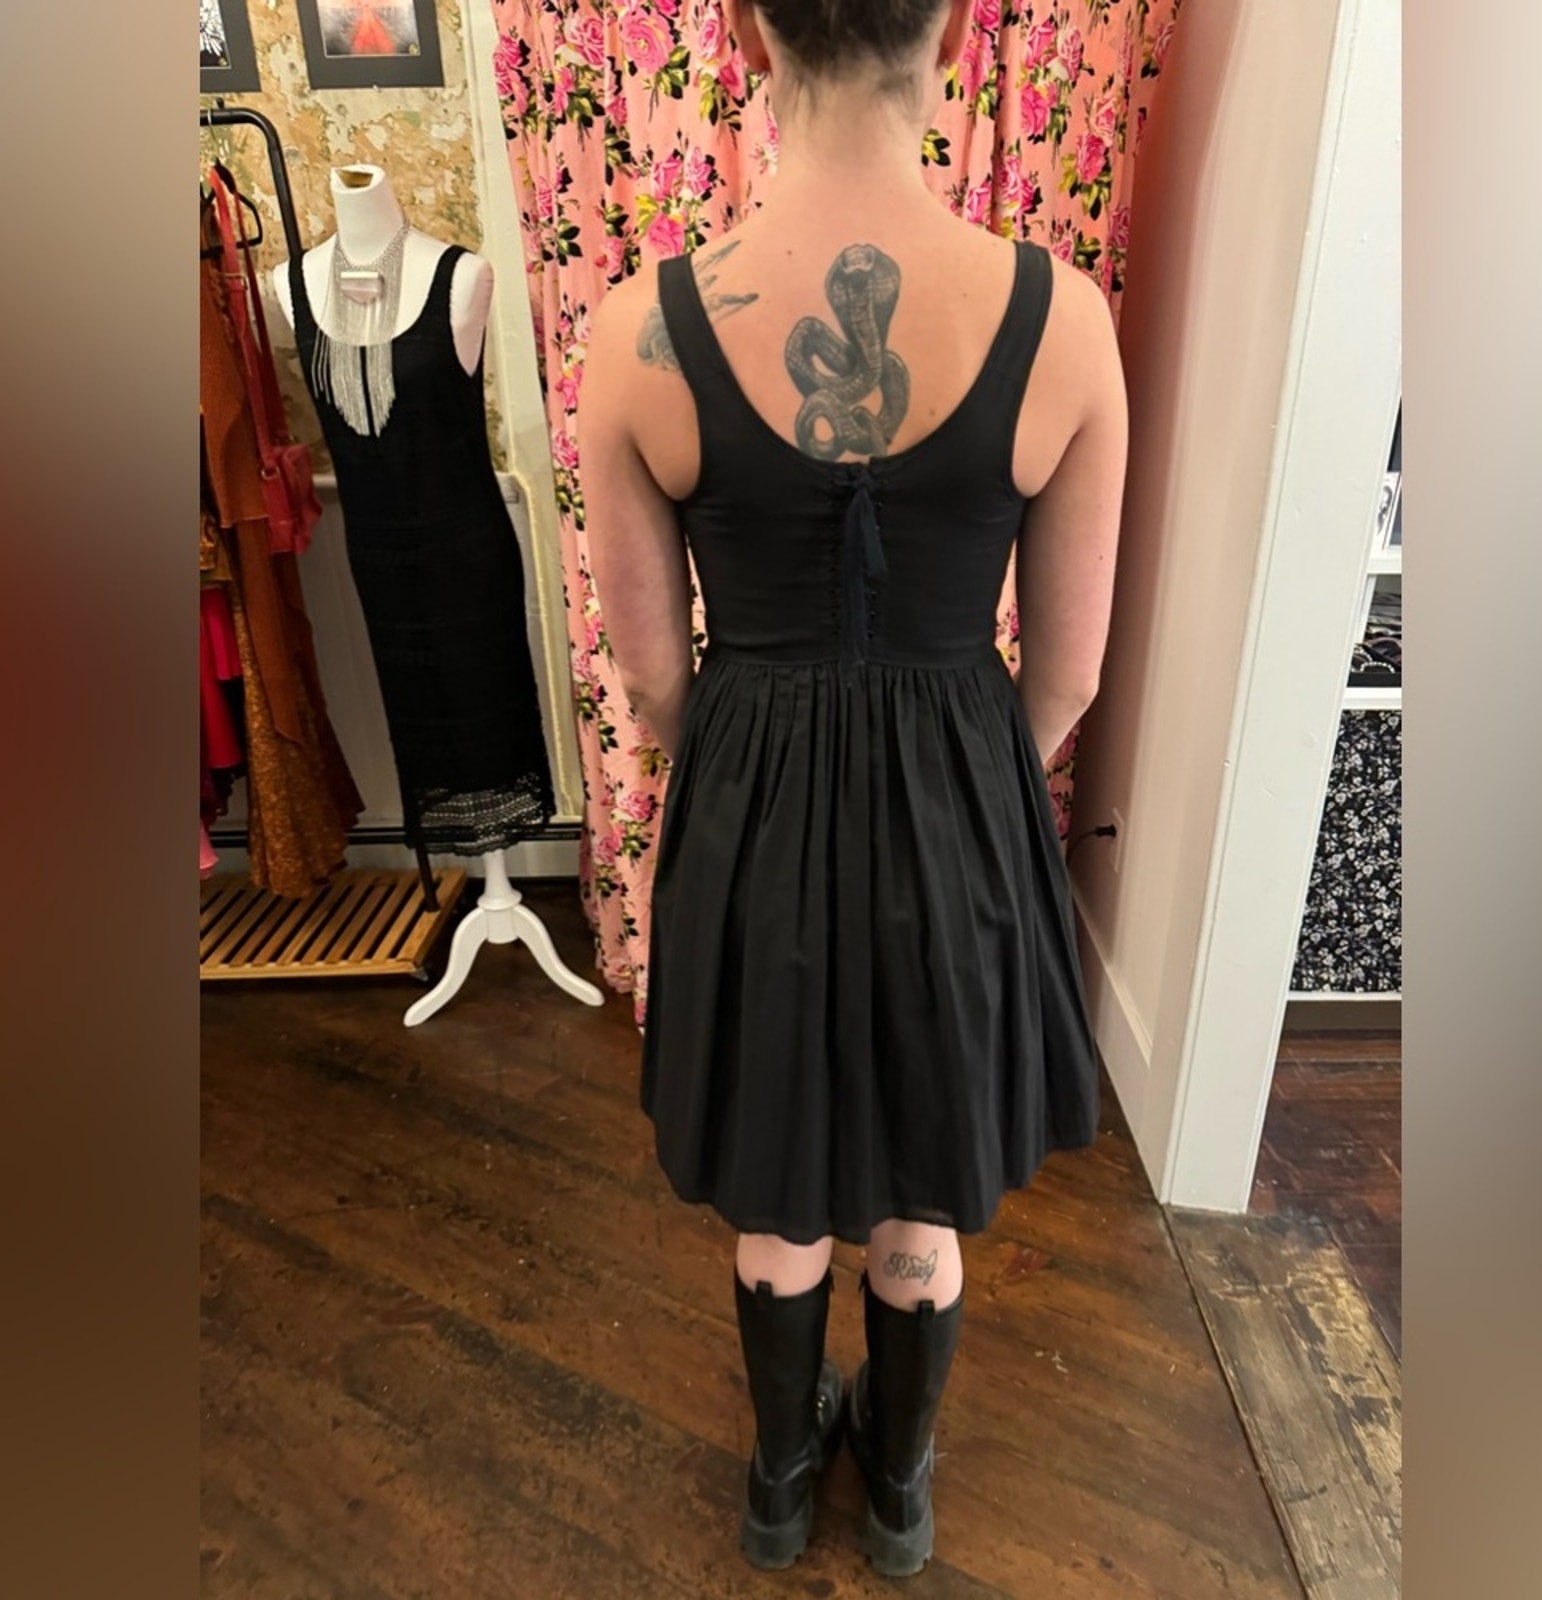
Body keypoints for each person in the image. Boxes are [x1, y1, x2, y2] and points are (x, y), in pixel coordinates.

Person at [578, 0, 1127, 1576]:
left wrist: (761, 789)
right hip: (961, 802)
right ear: (948, 29)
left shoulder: (638, 332)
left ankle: (776, 1486)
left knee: (779, 1177)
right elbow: (1068, 676)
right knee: (918, 1192)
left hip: (749, 800)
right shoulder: (1062, 322)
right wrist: (948, 797)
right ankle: (896, 1490)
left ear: (748, 35)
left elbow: (653, 681)